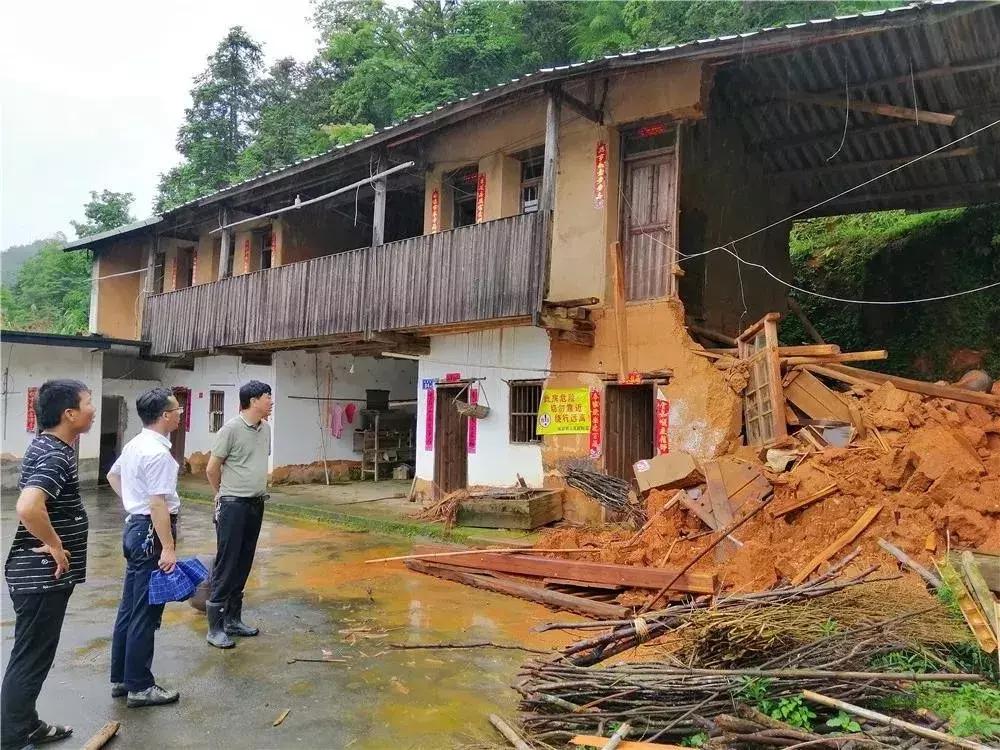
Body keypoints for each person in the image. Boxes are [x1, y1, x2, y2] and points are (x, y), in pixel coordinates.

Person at [2, 380, 95, 750]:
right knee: (30, 660)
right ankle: (12, 739)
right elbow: (27, 506)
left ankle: (27, 724)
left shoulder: (49, 445)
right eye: (88, 403)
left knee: (32, 655)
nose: (92, 409)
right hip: (41, 578)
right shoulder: (56, 453)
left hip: (35, 577)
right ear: (69, 414)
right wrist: (56, 546)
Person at [106, 388, 182, 707]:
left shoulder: (136, 444)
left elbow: (113, 475)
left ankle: (123, 678)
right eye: (177, 409)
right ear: (165, 416)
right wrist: (168, 547)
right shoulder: (157, 453)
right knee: (145, 613)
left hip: (137, 528)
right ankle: (140, 686)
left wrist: (131, 505)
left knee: (129, 608)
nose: (180, 413)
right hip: (150, 533)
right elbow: (157, 503)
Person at [204, 380, 272, 649]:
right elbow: (212, 468)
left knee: (244, 561)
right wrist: (221, 493)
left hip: (256, 503)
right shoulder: (230, 429)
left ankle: (233, 619)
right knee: (227, 562)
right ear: (253, 400)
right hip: (233, 504)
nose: (270, 401)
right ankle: (215, 627)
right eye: (267, 396)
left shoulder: (265, 428)